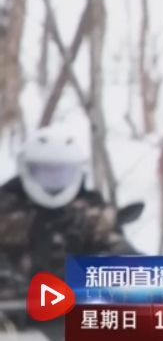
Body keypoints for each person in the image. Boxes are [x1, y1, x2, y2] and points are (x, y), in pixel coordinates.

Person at [0, 125, 138, 299]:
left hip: (78, 305)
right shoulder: (6, 209)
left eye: (61, 173)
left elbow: (118, 247)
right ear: (25, 170)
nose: (53, 182)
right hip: (12, 308)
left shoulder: (91, 211)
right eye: (45, 173)